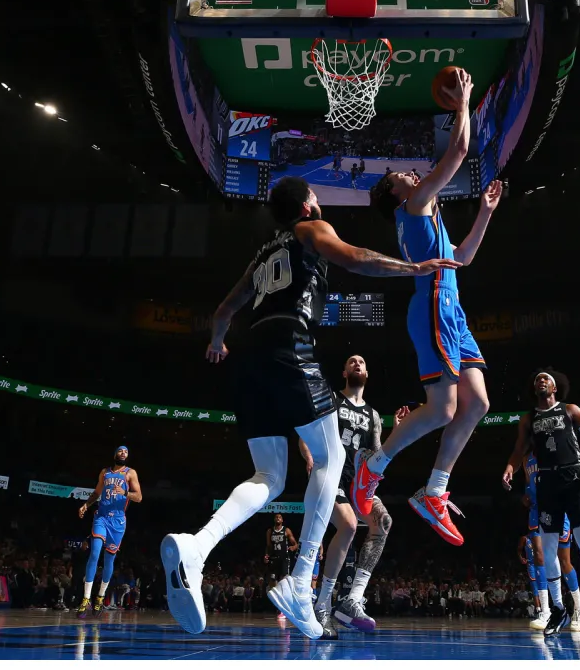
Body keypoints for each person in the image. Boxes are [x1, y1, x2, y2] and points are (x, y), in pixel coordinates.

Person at [161, 176, 461, 639]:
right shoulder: (310, 229)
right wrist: (413, 268)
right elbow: (355, 257)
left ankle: (196, 548)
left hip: (250, 357)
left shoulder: (262, 254)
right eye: (316, 198)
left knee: (269, 476)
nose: (320, 203)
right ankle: (301, 581)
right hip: (289, 345)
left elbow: (223, 311)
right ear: (305, 205)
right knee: (331, 457)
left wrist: (218, 343)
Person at [358, 69, 502, 546]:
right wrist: (463, 104)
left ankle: (434, 491)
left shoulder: (425, 215)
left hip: (452, 308)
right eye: (399, 176)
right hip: (434, 304)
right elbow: (457, 151)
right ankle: (374, 465)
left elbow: (462, 258)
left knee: (477, 402)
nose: (409, 174)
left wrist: (484, 213)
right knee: (443, 409)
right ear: (394, 194)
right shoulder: (414, 205)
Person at [299, 355, 401, 638]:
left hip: (357, 483)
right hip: (332, 474)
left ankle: (351, 600)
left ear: (367, 373)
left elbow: (378, 457)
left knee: (383, 523)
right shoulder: (332, 399)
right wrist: (309, 458)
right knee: (349, 525)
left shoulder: (374, 416)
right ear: (344, 371)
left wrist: (397, 434)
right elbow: (305, 434)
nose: (357, 363)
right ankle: (322, 604)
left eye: (362, 362)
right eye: (351, 361)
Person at [502, 370, 580, 632]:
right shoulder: (529, 419)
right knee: (547, 552)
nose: (541, 380)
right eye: (537, 379)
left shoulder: (570, 410)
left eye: (545, 378)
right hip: (547, 483)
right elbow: (519, 449)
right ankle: (559, 609)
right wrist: (510, 467)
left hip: (573, 478)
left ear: (555, 387)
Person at [514, 435, 580, 634]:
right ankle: (547, 611)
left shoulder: (555, 452)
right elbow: (528, 485)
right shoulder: (526, 459)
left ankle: (579, 605)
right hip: (537, 510)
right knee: (539, 556)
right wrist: (525, 497)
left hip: (557, 508)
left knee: (564, 561)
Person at [76, 446, 142, 618]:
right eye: (120, 451)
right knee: (94, 553)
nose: (123, 453)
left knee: (109, 559)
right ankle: (86, 598)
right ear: (115, 454)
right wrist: (86, 505)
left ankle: (100, 596)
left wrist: (125, 492)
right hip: (102, 517)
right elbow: (97, 492)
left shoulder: (130, 473)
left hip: (118, 521)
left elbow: (139, 497)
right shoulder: (104, 472)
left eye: (126, 452)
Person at [264, 514, 298, 580]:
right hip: (273, 558)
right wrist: (266, 555)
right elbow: (268, 546)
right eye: (276, 517)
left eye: (279, 517)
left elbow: (296, 544)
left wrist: (293, 547)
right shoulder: (270, 531)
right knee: (273, 579)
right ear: (274, 519)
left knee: (284, 579)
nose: (278, 518)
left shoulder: (286, 530)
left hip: (284, 558)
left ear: (282, 520)